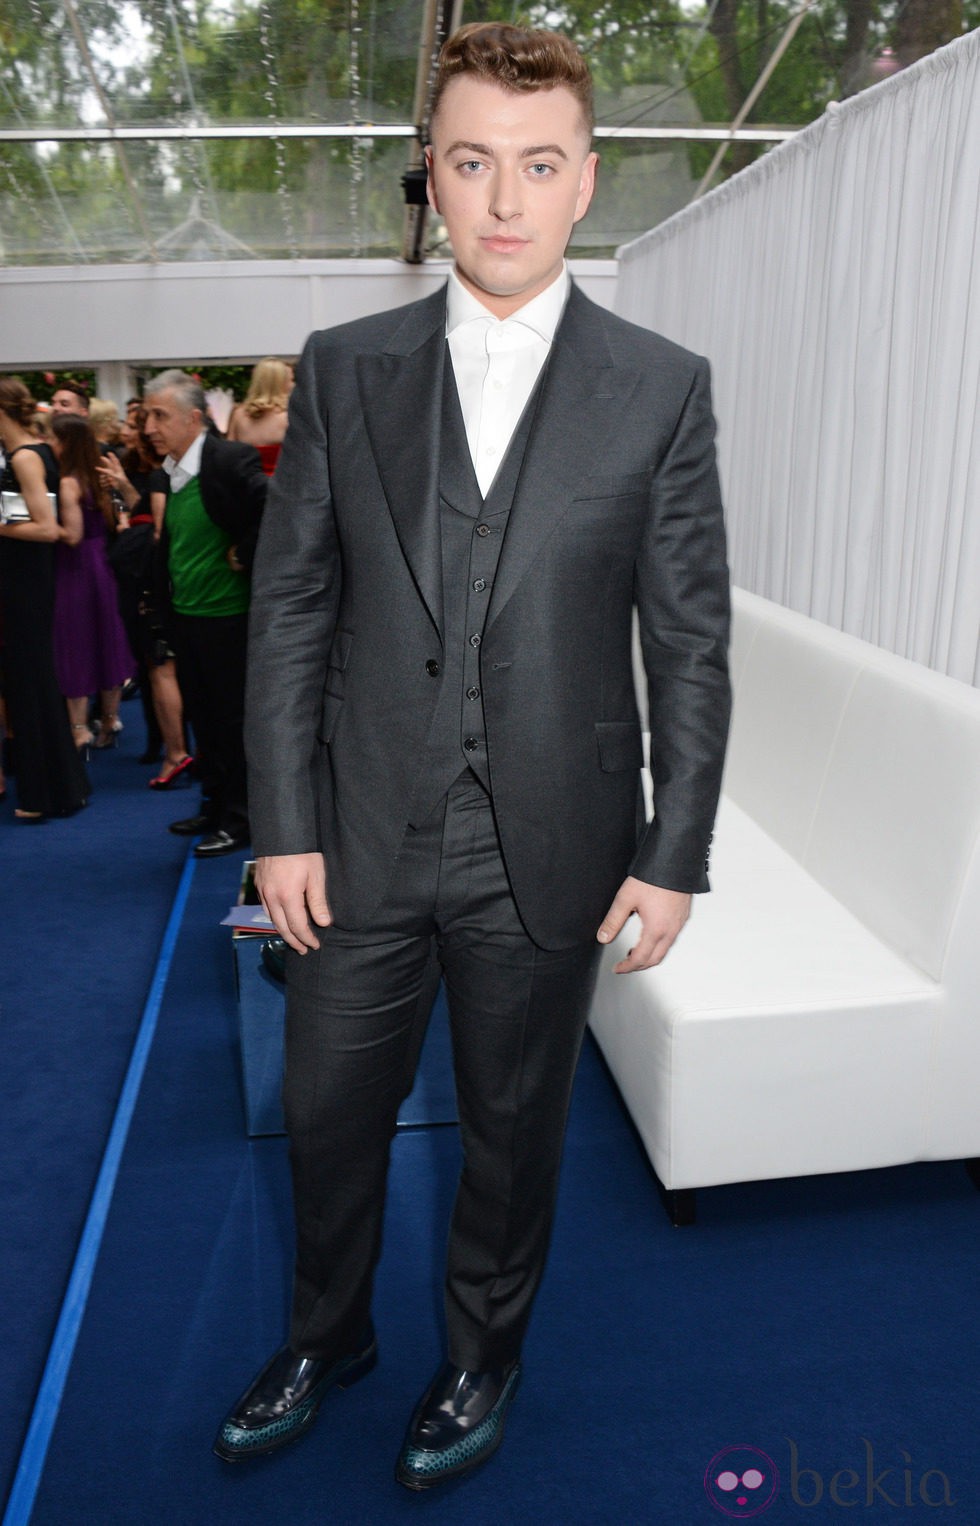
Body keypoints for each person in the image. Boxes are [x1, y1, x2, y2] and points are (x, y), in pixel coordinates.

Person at [219, 23, 731, 1489]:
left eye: (540, 164)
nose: (505, 200)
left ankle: (481, 1354)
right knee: (327, 1115)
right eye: (472, 162)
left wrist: (674, 850)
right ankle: (328, 1333)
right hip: (355, 832)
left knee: (512, 1133)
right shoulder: (344, 368)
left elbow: (687, 639)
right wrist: (282, 822)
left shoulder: (661, 384)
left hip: (555, 838)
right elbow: (292, 608)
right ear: (430, 178)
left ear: (587, 181)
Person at [144, 370, 267, 857]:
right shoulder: (172, 471)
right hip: (188, 617)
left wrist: (246, 552)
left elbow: (276, 507)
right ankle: (215, 806)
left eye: (159, 416)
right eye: (147, 416)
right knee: (204, 719)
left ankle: (240, 819)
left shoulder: (229, 460)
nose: (149, 427)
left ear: (193, 418)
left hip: (229, 619)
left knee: (232, 724)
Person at [0, 378, 90, 820]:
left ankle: (44, 795)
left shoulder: (25, 456)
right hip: (22, 580)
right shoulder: (29, 452)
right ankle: (58, 789)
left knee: (29, 685)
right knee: (32, 685)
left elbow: (47, 528)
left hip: (24, 584)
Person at [98, 412, 193, 786]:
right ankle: (171, 748)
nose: (146, 432)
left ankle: (176, 752)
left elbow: (160, 529)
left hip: (155, 578)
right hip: (155, 575)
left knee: (161, 666)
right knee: (158, 666)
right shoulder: (159, 470)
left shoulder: (164, 475)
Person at [50, 413, 135, 748]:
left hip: (74, 569)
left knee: (75, 644)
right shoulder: (100, 479)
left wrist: (36, 528)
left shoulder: (68, 483)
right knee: (107, 642)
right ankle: (109, 721)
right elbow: (117, 521)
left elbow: (72, 535)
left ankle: (78, 728)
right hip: (104, 565)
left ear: (65, 442)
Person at [226, 357, 293, 475]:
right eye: (291, 380)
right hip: (282, 484)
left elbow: (228, 455)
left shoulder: (238, 415)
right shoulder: (289, 417)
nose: (294, 384)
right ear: (281, 383)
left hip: (245, 483)